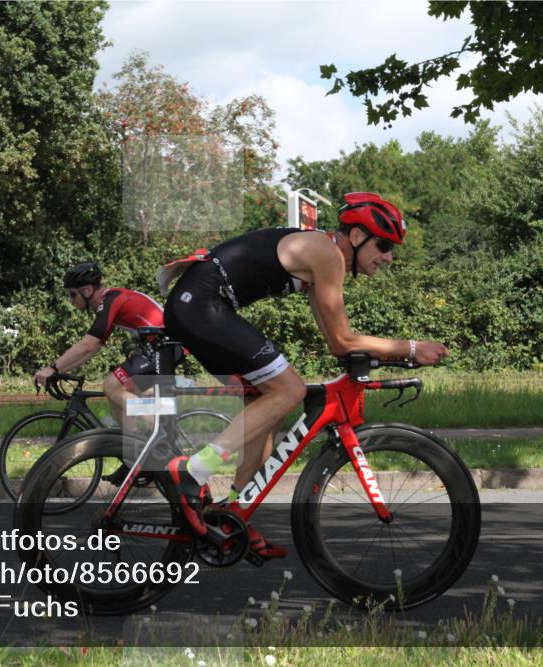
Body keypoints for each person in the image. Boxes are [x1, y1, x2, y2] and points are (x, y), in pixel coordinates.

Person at [161, 192, 450, 560]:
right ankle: (193, 469)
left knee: (269, 400)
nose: (389, 257)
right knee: (290, 390)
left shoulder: (323, 256)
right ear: (357, 237)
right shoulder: (328, 254)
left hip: (198, 306)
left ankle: (234, 510)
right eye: (384, 245)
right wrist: (410, 348)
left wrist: (383, 352)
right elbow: (346, 340)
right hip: (202, 305)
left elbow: (336, 343)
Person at [32, 262, 168, 431]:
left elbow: (87, 345)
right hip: (159, 347)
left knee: (111, 386)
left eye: (72, 294)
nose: (71, 300)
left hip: (162, 346)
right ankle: (137, 448)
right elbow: (94, 348)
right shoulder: (109, 303)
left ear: (87, 290)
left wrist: (52, 368)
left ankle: (158, 424)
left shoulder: (112, 299)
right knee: (116, 398)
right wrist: (59, 370)